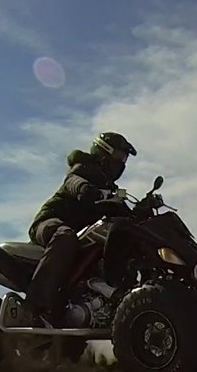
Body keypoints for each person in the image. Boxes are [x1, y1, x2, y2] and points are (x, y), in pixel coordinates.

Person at [24, 131, 137, 325]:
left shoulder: (109, 189)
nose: (121, 163)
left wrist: (143, 210)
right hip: (49, 222)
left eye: (124, 158)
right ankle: (35, 307)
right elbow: (73, 181)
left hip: (79, 237)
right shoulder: (83, 169)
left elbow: (125, 214)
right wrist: (84, 189)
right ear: (103, 153)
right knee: (65, 236)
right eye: (119, 156)